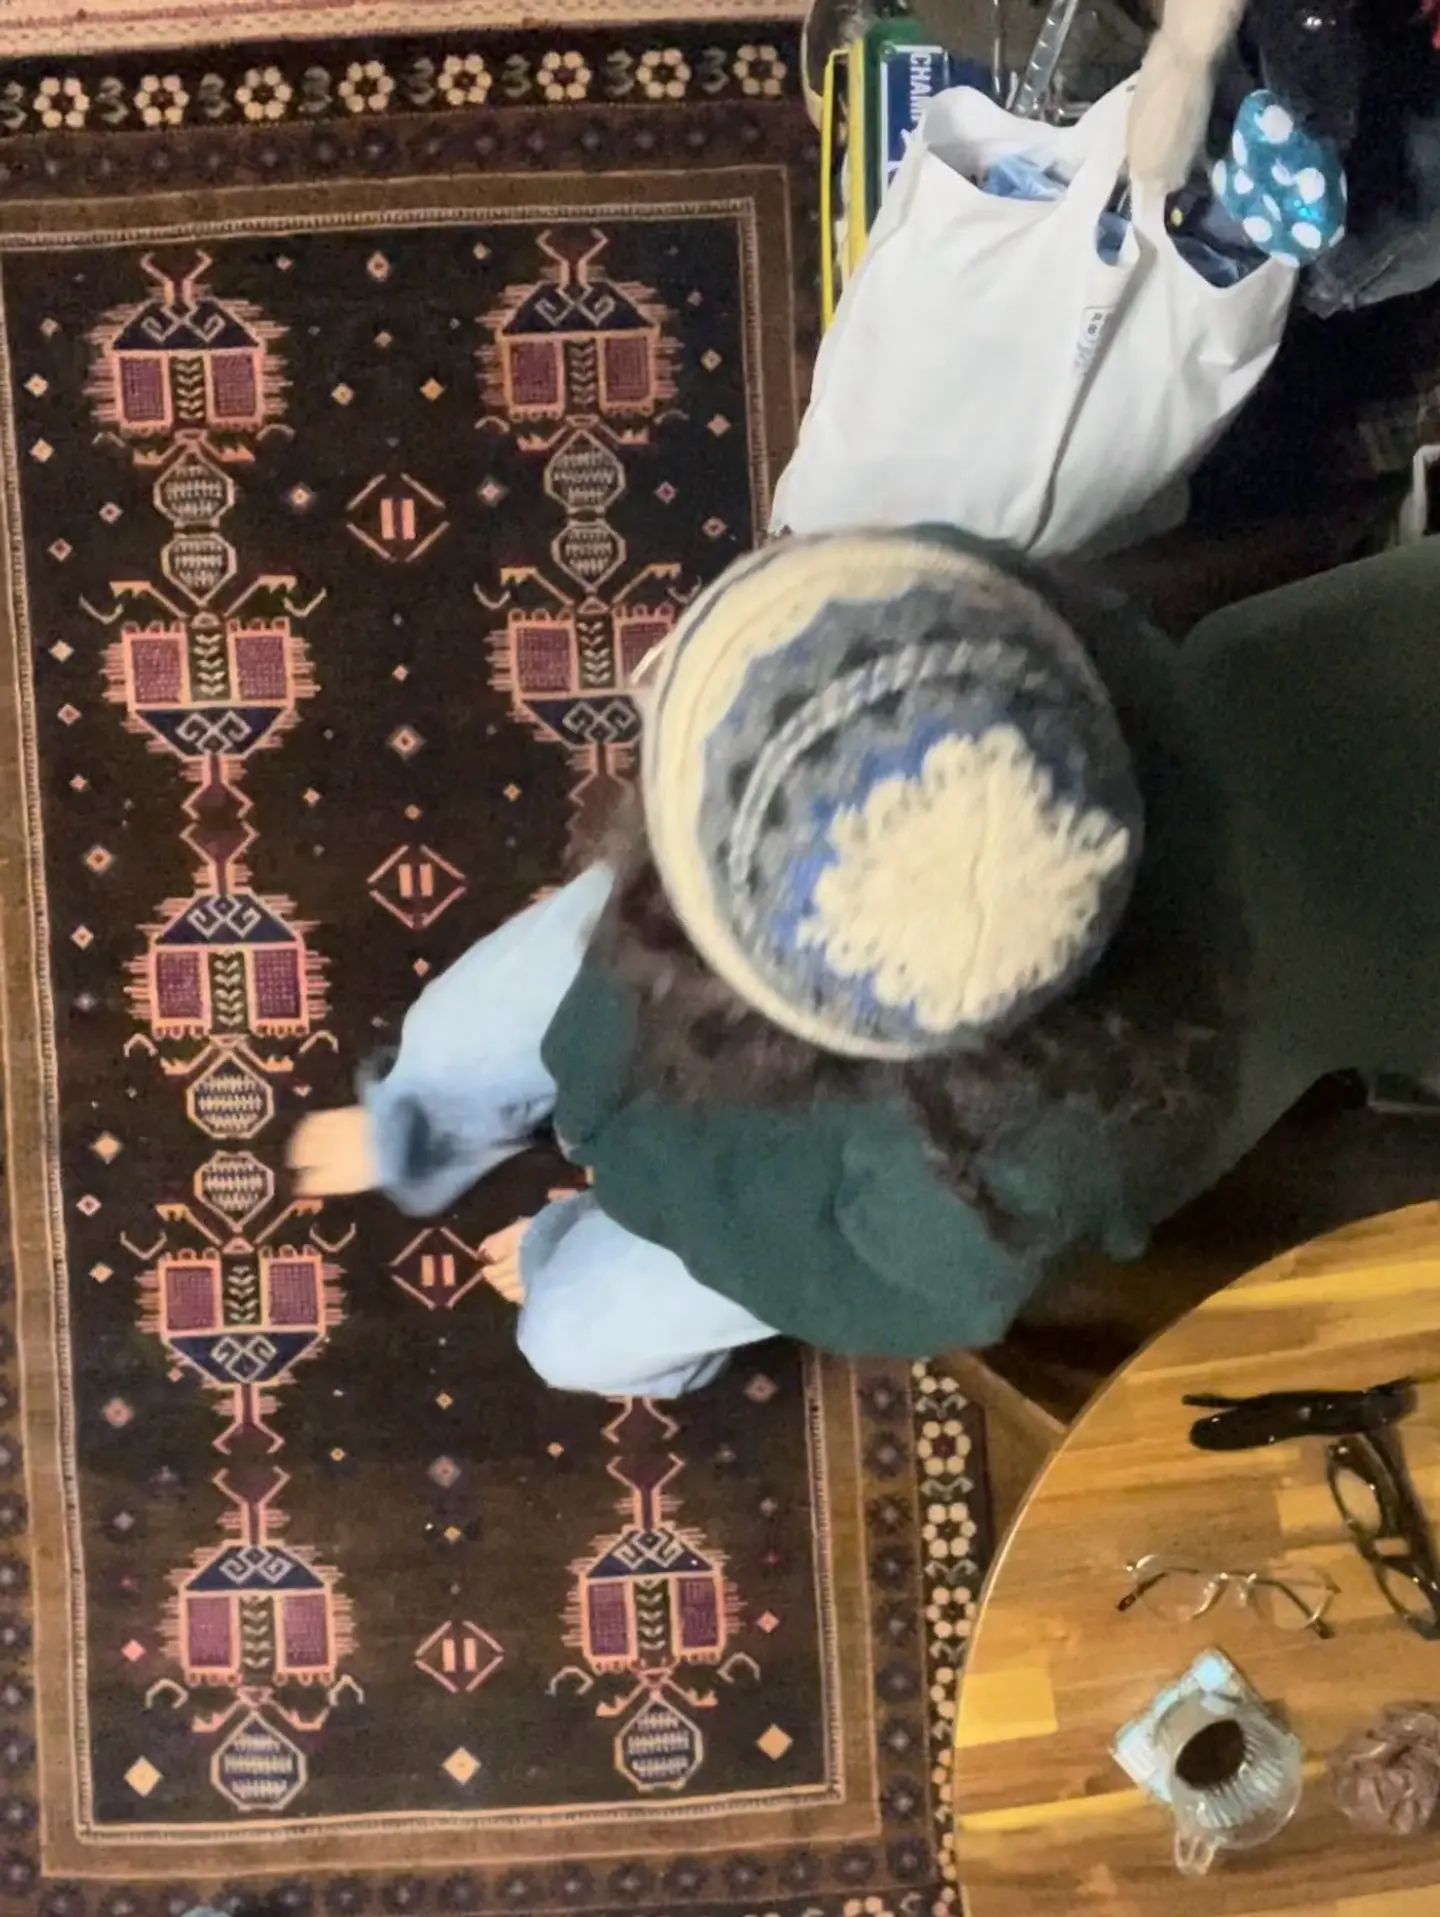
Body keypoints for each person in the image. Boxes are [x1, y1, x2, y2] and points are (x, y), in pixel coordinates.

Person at [288, 525, 1440, 1397]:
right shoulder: (992, 622)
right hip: (1269, 743)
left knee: (569, 1333)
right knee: (482, 1024)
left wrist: (644, 1202)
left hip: (791, 1206)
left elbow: (878, 1295)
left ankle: (543, 1227)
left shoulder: (1038, 1163)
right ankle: (427, 1122)